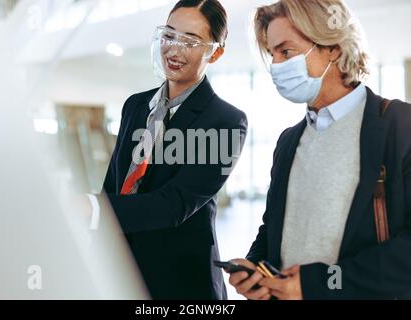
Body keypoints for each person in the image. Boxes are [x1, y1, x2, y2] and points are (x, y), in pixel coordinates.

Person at [228, 0, 411, 300]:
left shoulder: (400, 126)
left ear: (333, 48)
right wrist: (257, 269)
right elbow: (272, 228)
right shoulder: (288, 142)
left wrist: (319, 283)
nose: (276, 65)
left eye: (286, 52)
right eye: (272, 54)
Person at [102, 0, 248, 300]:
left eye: (190, 41)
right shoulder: (136, 105)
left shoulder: (226, 121)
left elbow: (175, 205)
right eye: (169, 36)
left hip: (183, 284)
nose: (174, 49)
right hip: (123, 276)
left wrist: (96, 211)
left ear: (215, 52)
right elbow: (114, 183)